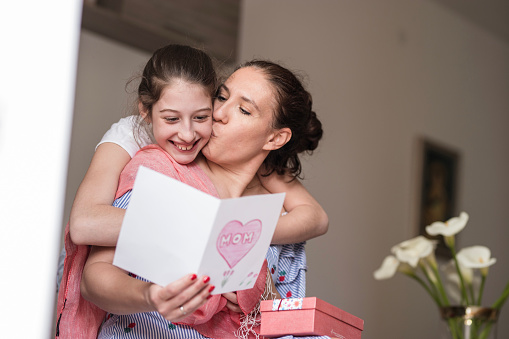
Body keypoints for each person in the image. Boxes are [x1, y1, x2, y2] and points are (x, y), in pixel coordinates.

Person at [58, 45, 328, 338]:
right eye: (221, 97)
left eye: (244, 109)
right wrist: (150, 295)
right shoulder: (160, 171)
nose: (219, 113)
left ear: (276, 137)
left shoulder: (279, 216)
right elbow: (94, 278)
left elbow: (293, 323)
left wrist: (266, 298)